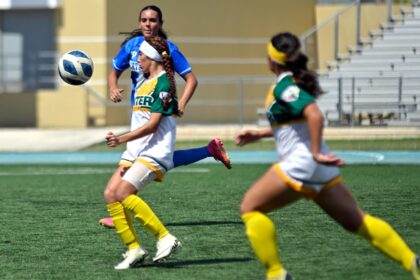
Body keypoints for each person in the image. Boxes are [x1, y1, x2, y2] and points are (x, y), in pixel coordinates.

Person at [235, 32, 419, 280]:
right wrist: (260, 134)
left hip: (303, 163)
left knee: (250, 208)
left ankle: (276, 273)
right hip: (319, 167)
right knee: (358, 222)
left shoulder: (285, 86)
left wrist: (314, 152)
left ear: (271, 59)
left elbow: (314, 114)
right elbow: (293, 123)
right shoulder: (289, 83)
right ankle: (412, 261)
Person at [98, 5, 231, 229]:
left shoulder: (168, 49)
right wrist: (112, 88)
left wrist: (181, 104)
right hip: (139, 110)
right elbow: (114, 72)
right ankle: (210, 150)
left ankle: (129, 215)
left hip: (159, 107)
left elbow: (191, 79)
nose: (148, 24)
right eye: (144, 20)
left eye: (152, 20)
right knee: (161, 158)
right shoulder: (132, 46)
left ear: (160, 23)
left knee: (154, 157)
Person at [105, 35, 185, 269]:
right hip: (137, 150)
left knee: (123, 193)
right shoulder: (144, 81)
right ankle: (134, 249)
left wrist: (120, 138)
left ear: (151, 57)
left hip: (155, 150)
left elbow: (152, 126)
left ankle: (165, 237)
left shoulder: (163, 84)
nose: (137, 58)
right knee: (111, 194)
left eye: (140, 55)